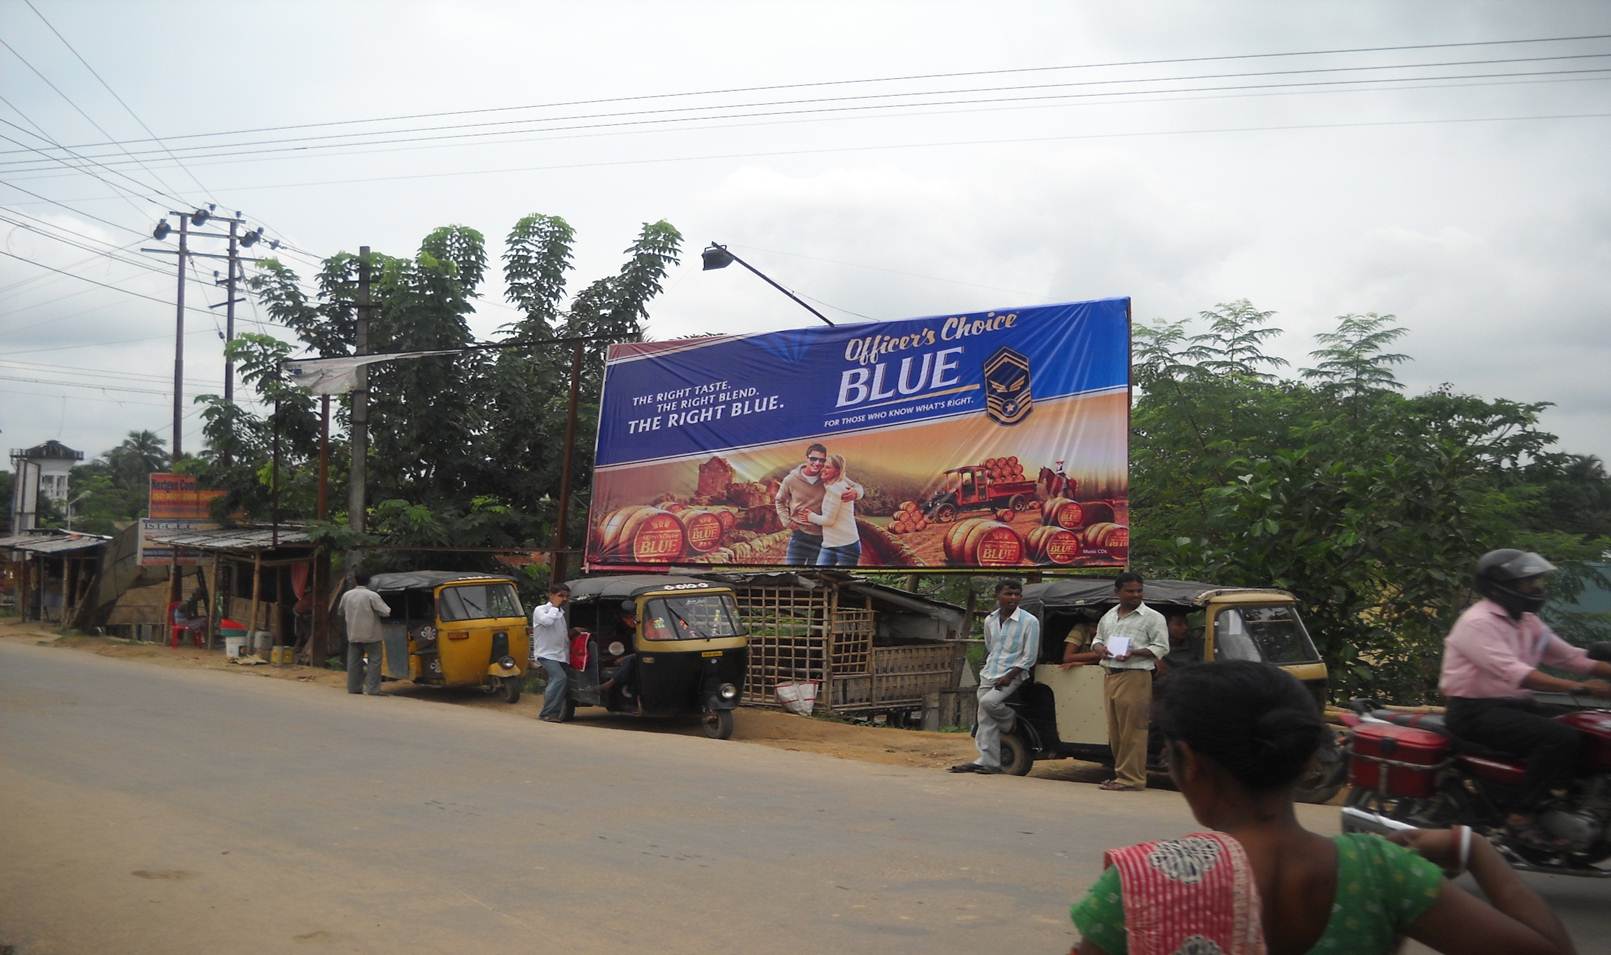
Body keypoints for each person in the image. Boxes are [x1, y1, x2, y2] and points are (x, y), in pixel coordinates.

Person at [1069, 661, 1577, 955]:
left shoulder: (1141, 881)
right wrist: (1475, 848)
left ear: (1189, 762)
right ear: (1309, 757)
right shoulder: (1382, 872)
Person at [1439, 549, 1611, 847]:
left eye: (1537, 581)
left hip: (1514, 707)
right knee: (1560, 737)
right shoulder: (1478, 623)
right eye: (1527, 583)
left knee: (1589, 731)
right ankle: (1520, 817)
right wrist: (1581, 688)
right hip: (1474, 712)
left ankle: (1569, 804)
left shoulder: (1527, 621)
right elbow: (1517, 673)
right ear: (1498, 586)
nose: (1536, 589)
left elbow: (1572, 658)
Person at [1090, 572, 1170, 791]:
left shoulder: (1153, 617)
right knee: (1116, 732)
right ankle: (1121, 775)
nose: (1136, 595)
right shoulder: (1109, 616)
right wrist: (1101, 649)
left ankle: (1132, 779)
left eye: (1139, 590)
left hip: (1135, 676)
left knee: (1133, 730)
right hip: (1110, 674)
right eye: (1130, 591)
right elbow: (1096, 640)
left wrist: (1134, 653)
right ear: (1117, 592)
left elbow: (1160, 647)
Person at [950, 580, 1040, 774]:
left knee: (989, 703)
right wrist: (992, 669)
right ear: (997, 596)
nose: (1013, 598)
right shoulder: (990, 619)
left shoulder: (1030, 621)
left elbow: (1029, 656)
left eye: (1017, 594)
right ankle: (988, 762)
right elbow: (991, 647)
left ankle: (1010, 720)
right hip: (990, 672)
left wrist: (1009, 675)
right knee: (985, 719)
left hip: (1014, 674)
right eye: (1009, 594)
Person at [773, 442, 861, 566]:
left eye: (822, 460)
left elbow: (855, 486)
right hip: (799, 535)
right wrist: (786, 521)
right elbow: (779, 501)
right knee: (792, 572)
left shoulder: (827, 475)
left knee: (814, 576)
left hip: (821, 537)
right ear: (806, 458)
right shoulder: (791, 479)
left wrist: (857, 493)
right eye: (813, 459)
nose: (817, 463)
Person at [796, 453, 862, 567]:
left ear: (837, 471)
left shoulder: (837, 489)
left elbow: (829, 521)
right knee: (821, 576)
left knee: (844, 580)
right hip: (829, 544)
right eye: (823, 465)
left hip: (846, 545)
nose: (822, 469)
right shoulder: (827, 482)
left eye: (827, 467)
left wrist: (810, 516)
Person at [338, 572, 390, 696]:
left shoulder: (347, 595)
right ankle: (373, 689)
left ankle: (354, 688)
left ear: (355, 580)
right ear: (369, 582)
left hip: (353, 633)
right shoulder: (372, 595)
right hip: (372, 634)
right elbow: (386, 611)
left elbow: (340, 611)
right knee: (374, 662)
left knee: (354, 662)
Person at [532, 582, 571, 723]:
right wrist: (554, 606)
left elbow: (561, 635)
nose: (564, 599)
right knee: (559, 678)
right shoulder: (540, 610)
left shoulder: (561, 614)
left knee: (563, 681)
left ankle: (557, 711)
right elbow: (547, 622)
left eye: (566, 596)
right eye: (561, 596)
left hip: (561, 655)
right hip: (546, 654)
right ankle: (547, 713)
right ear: (551, 595)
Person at [599, 599, 641, 701]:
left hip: (649, 655)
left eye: (632, 617)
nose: (630, 621)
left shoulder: (645, 626)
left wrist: (626, 658)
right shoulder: (621, 628)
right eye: (626, 618)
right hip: (633, 655)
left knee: (629, 660)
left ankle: (610, 684)